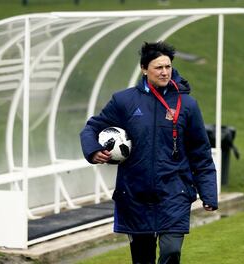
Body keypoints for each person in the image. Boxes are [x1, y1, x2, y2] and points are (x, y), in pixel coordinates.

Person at [80, 41, 218, 264]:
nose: (165, 72)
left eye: (168, 67)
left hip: (174, 192)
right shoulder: (123, 101)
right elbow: (92, 127)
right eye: (158, 67)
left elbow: (200, 153)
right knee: (142, 259)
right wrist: (93, 151)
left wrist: (209, 194)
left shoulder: (187, 105)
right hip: (135, 195)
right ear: (144, 69)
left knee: (171, 251)